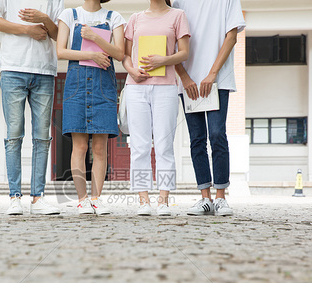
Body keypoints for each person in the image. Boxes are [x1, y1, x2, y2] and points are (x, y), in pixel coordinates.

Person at [0, 0, 64, 215]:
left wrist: (45, 20)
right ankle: (15, 197)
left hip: (45, 70)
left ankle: (38, 198)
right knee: (14, 135)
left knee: (42, 137)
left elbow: (59, 34)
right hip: (13, 68)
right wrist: (27, 30)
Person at [172, 0, 245, 216]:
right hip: (189, 82)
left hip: (218, 80)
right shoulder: (178, 3)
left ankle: (221, 197)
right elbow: (171, 44)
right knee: (197, 138)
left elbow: (231, 37)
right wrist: (184, 77)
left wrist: (212, 73)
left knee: (217, 135)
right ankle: (205, 198)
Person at [57, 0, 126, 215]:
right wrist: (91, 54)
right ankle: (82, 200)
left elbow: (120, 54)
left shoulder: (114, 17)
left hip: (103, 86)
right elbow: (61, 51)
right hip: (76, 86)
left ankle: (96, 199)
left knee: (99, 148)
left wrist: (95, 38)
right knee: (79, 147)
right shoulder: (70, 15)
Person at [123, 0, 190, 216]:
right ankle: (143, 200)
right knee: (139, 146)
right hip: (136, 87)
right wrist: (132, 71)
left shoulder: (177, 16)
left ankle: (163, 200)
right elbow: (125, 56)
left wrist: (165, 59)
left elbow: (184, 52)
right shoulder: (135, 18)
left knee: (164, 145)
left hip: (166, 88)